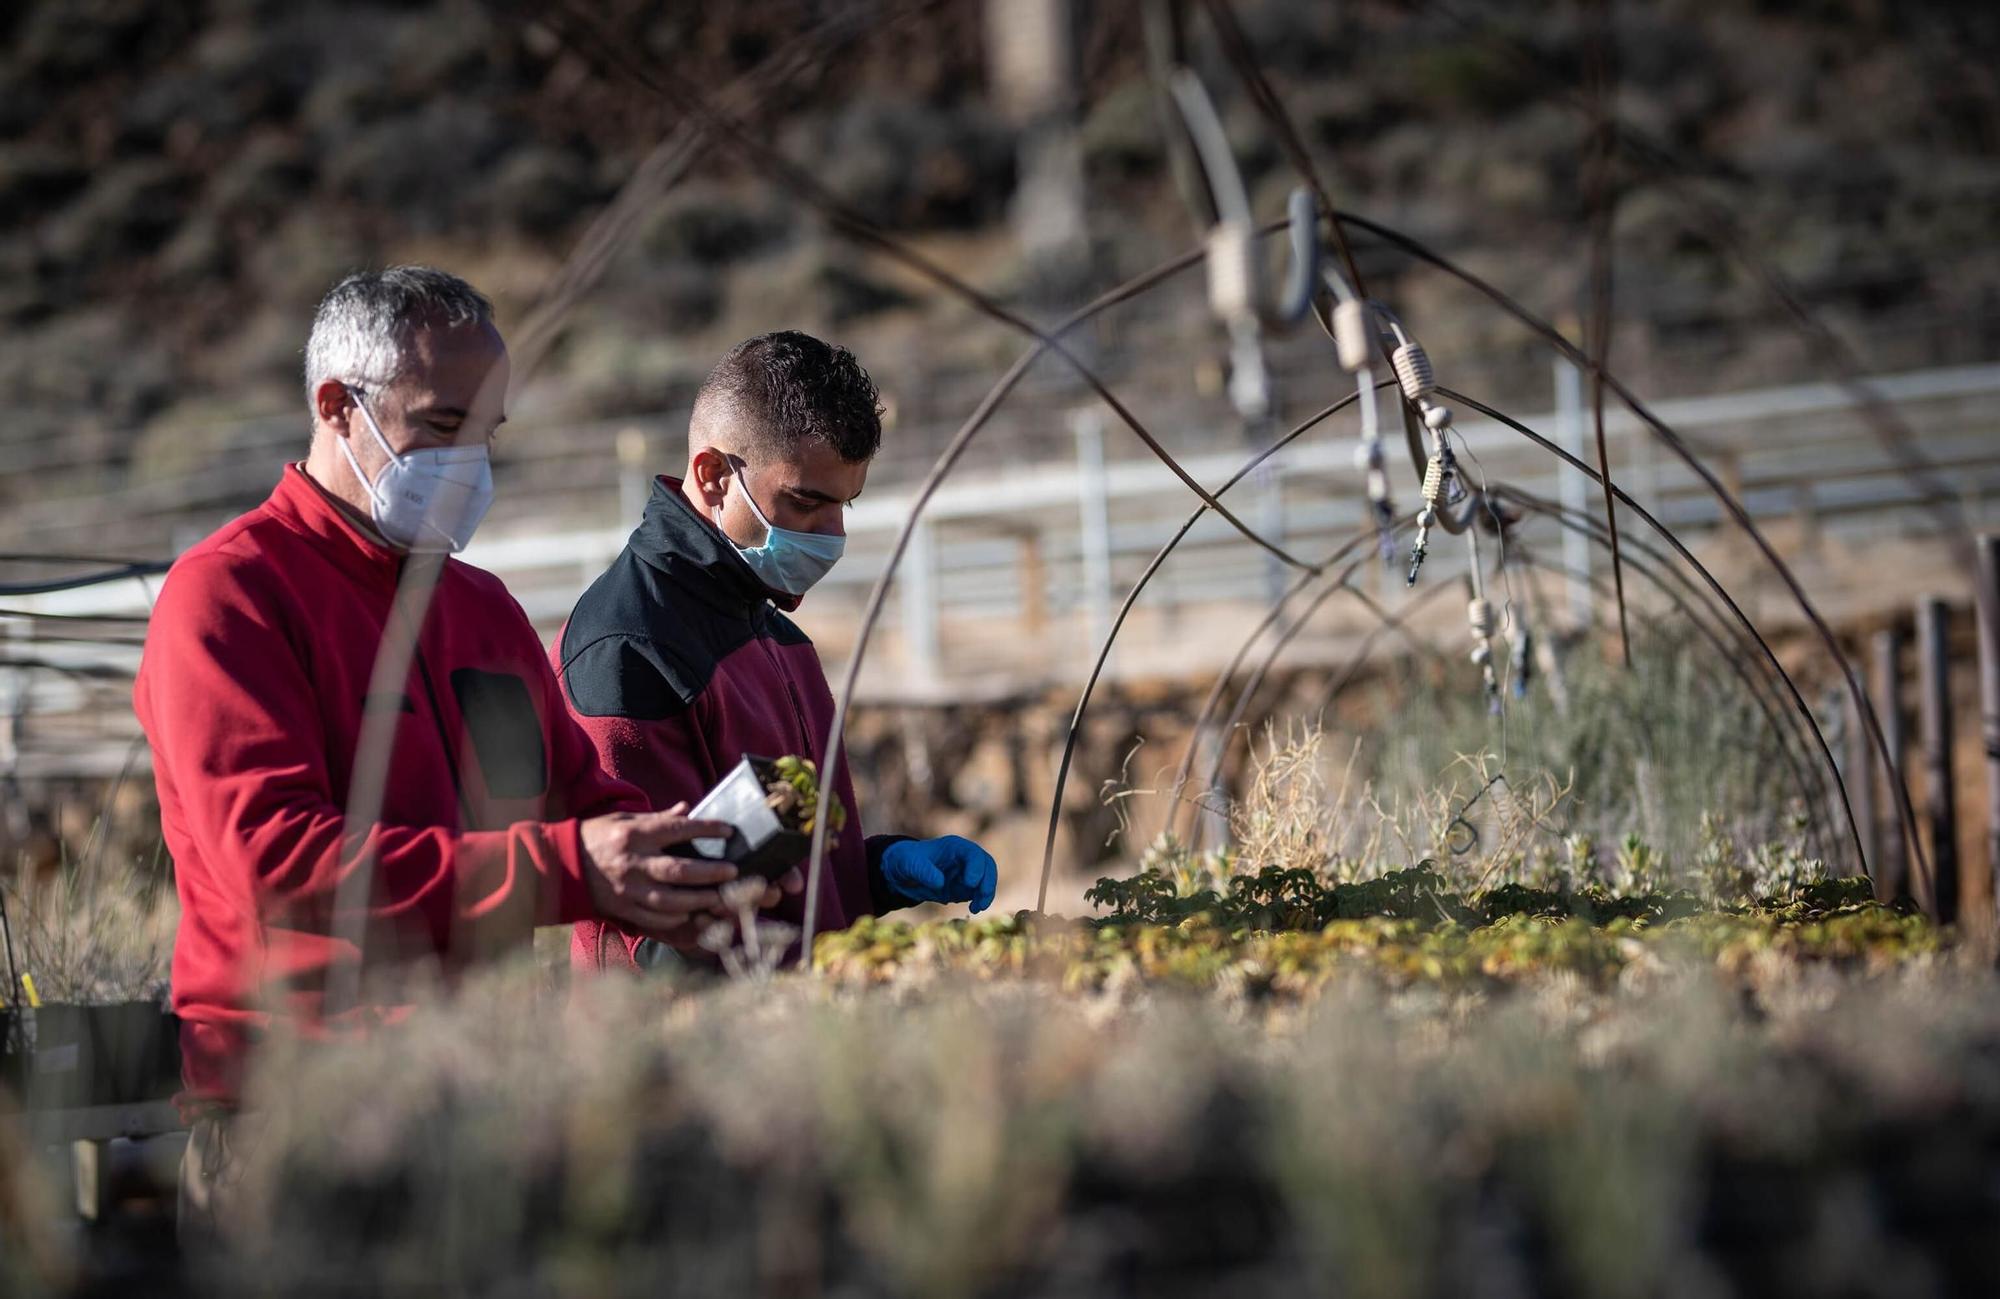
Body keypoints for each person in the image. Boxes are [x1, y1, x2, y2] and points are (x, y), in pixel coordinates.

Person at [133, 267, 791, 1241]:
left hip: (483, 1098)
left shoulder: (478, 609)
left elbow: (572, 801)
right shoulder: (228, 598)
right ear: (335, 408)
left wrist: (687, 851)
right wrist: (575, 867)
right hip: (296, 1118)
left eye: (486, 437)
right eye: (442, 429)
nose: (469, 465)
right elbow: (273, 863)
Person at [554, 331, 998, 970]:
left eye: (844, 504)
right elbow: (655, 935)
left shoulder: (779, 636)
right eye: (806, 501)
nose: (832, 533)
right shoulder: (628, 650)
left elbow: (773, 871)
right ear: (712, 476)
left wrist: (878, 871)